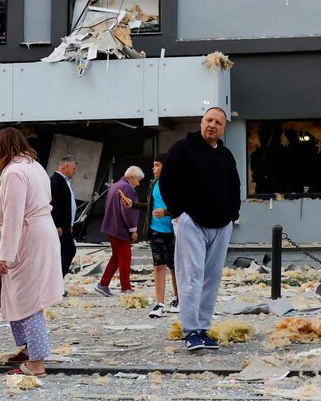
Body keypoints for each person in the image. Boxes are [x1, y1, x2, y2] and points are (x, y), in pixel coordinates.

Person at [156, 107, 241, 353]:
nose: (212, 125)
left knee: (211, 278)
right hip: (192, 222)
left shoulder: (225, 155)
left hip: (221, 223)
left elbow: (234, 184)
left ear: (223, 128)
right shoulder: (183, 149)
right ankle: (191, 331)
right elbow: (167, 181)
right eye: (208, 120)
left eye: (217, 122)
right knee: (191, 277)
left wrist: (233, 215)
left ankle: (203, 328)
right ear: (201, 122)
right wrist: (179, 212)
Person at [0, 127, 63, 376]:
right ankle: (28, 348)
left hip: (27, 236)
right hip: (41, 231)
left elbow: (13, 215)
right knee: (18, 294)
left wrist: (5, 254)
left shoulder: (15, 172)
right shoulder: (34, 166)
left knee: (28, 298)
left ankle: (37, 361)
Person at [95, 166, 144, 296]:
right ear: (131, 177)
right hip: (120, 228)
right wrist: (133, 230)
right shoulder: (127, 188)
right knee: (125, 257)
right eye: (137, 180)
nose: (138, 184)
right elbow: (128, 211)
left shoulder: (115, 185)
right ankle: (126, 288)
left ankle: (103, 284)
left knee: (117, 257)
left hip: (110, 227)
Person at [146, 159, 179, 319]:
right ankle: (160, 303)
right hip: (155, 230)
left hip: (174, 231)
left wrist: (166, 213)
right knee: (159, 266)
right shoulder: (154, 184)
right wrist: (132, 204)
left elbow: (183, 207)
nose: (153, 168)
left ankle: (177, 298)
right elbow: (149, 206)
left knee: (174, 266)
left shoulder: (175, 183)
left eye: (157, 165)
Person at [49, 156, 78, 276]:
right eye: (73, 169)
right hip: (59, 226)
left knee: (63, 252)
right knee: (69, 250)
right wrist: (57, 225)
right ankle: (56, 282)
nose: (74, 172)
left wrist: (70, 224)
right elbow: (54, 204)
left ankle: (56, 283)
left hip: (65, 225)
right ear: (66, 166)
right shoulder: (56, 181)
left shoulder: (64, 181)